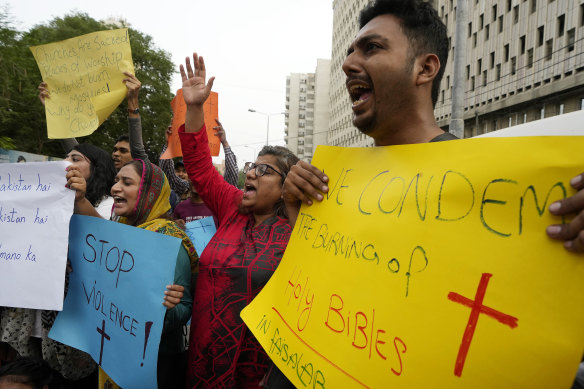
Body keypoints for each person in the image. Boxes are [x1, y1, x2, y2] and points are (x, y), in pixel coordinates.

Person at [281, 0, 584, 254]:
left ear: (425, 69)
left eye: (371, 47)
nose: (348, 64)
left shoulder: (492, 186)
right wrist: (300, 214)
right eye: (350, 52)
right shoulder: (335, 187)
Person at [177, 53, 299, 388]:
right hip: (204, 358)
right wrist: (195, 108)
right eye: (251, 166)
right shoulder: (231, 206)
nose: (251, 173)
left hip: (257, 370)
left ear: (285, 186)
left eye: (265, 170)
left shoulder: (298, 229)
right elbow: (200, 167)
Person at [71, 159, 197, 388]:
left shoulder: (169, 240)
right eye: (116, 180)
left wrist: (166, 307)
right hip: (114, 351)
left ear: (150, 193)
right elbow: (96, 226)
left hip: (156, 364)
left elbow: (183, 308)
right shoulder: (123, 230)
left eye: (126, 182)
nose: (115, 188)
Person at [0, 143, 116, 386]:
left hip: (70, 321)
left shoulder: (107, 207)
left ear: (97, 169)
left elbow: (107, 241)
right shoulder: (45, 200)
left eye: (76, 158)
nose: (66, 161)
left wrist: (80, 200)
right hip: (30, 316)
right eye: (65, 156)